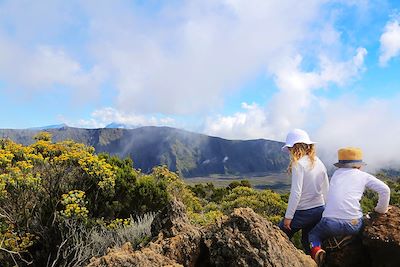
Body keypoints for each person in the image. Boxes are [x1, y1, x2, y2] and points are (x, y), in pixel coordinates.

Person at [308, 147, 390, 266]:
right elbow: (385, 190)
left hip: (329, 224)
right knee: (364, 220)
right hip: (354, 224)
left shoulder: (336, 174)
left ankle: (316, 250)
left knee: (313, 234)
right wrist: (380, 210)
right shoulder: (363, 176)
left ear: (340, 165)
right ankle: (350, 238)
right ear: (359, 165)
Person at [278, 129, 329, 254]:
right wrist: (327, 209)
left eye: (290, 148)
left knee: (278, 233)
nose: (289, 151)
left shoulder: (298, 164)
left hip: (303, 211)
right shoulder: (319, 162)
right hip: (319, 209)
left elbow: (296, 193)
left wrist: (288, 217)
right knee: (307, 240)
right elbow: (326, 188)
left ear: (295, 147)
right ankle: (315, 255)